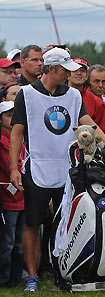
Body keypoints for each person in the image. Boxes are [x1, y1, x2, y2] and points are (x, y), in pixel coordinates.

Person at [9, 48, 105, 292]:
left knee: (64, 223)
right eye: (66, 70)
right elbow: (17, 131)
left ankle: (61, 273)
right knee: (33, 224)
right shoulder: (26, 94)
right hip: (36, 168)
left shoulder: (74, 95)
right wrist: (14, 168)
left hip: (67, 169)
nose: (69, 75)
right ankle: (32, 276)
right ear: (52, 69)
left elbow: (85, 121)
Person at [0, 101, 25, 288]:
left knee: (19, 242)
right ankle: (4, 278)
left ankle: (17, 277)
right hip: (8, 199)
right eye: (8, 115)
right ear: (1, 119)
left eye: (14, 114)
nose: (12, 118)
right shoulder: (1, 141)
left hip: (23, 198)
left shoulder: (23, 139)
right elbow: (10, 165)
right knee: (7, 243)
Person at [68, 58, 105, 139]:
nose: (79, 73)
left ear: (86, 76)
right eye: (74, 70)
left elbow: (104, 134)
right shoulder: (57, 97)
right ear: (67, 74)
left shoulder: (97, 102)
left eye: (82, 70)